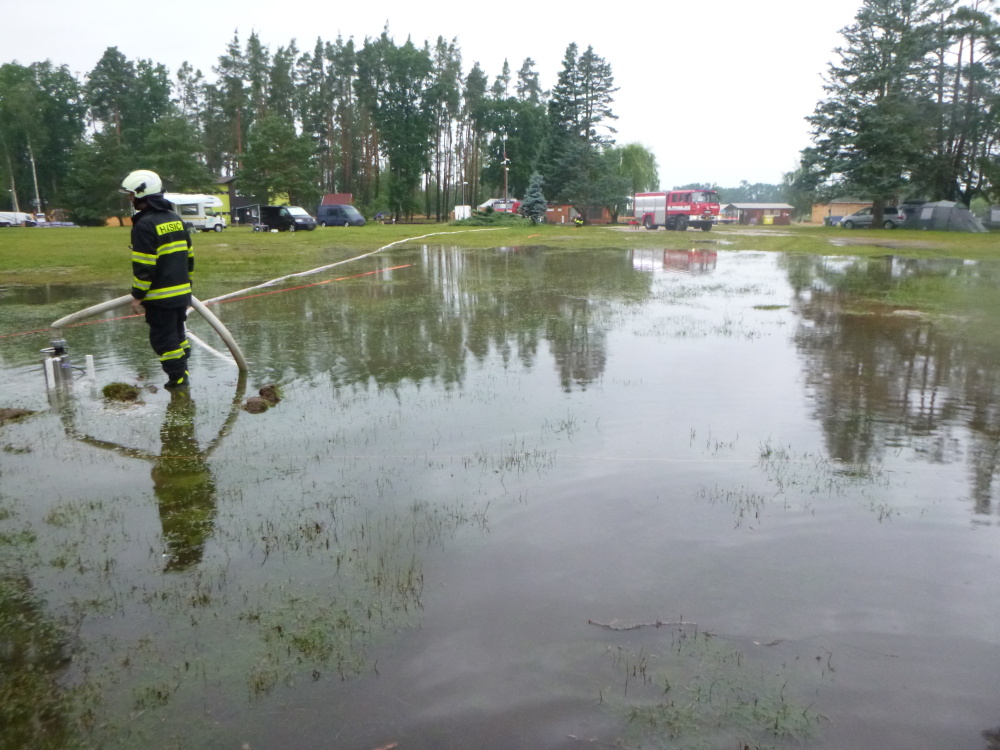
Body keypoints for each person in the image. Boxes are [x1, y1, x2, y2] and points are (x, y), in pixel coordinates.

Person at [120, 169, 194, 389]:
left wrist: (138, 296)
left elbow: (144, 267)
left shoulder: (144, 225)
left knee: (164, 340)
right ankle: (183, 371)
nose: (130, 199)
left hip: (160, 297)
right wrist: (187, 289)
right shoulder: (175, 219)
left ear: (143, 194)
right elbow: (189, 258)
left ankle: (178, 381)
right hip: (181, 294)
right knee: (178, 334)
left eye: (132, 194)